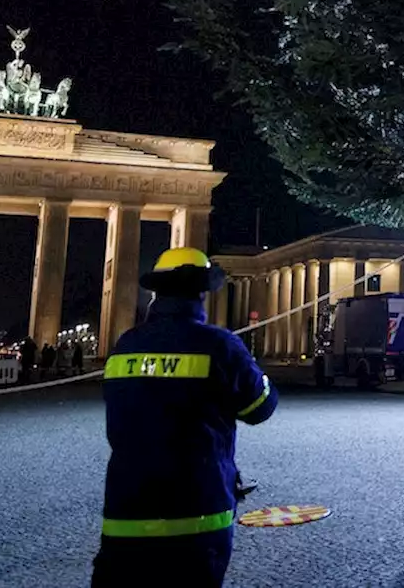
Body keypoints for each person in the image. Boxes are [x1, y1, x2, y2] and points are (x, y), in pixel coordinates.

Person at [91, 247, 277, 588]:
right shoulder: (219, 345)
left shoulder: (126, 345)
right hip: (198, 514)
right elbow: (260, 407)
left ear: (156, 292)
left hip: (126, 511)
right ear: (202, 292)